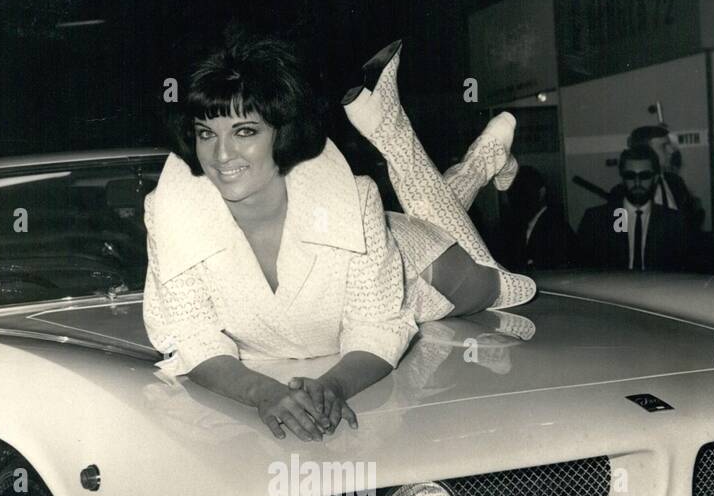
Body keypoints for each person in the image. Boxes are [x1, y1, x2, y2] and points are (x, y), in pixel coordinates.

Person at [142, 33, 535, 442]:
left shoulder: (358, 199)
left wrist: (333, 385)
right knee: (445, 210)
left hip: (407, 264)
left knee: (496, 284)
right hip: (355, 231)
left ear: (282, 132)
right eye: (207, 133)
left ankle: (425, 139)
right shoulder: (170, 211)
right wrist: (262, 392)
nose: (221, 155)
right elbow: (189, 336)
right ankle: (480, 161)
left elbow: (377, 325)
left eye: (244, 132)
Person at [576, 147, 687, 273]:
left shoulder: (673, 221)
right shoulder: (596, 220)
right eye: (630, 175)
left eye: (644, 176)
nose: (637, 182)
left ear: (655, 179)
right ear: (622, 179)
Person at [501, 166, 577, 271]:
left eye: (524, 192)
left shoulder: (556, 227)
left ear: (541, 193)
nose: (518, 199)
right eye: (513, 193)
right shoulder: (513, 227)